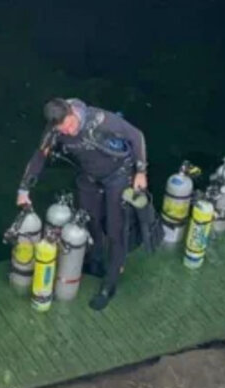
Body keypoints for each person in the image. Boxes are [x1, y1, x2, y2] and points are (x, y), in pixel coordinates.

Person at [17, 97, 148, 311]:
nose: (68, 131)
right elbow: (40, 156)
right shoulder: (55, 131)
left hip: (117, 174)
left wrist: (141, 171)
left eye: (69, 125)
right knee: (88, 219)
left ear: (72, 113)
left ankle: (110, 282)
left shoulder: (100, 120)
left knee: (116, 227)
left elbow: (136, 135)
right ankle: (95, 258)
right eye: (63, 129)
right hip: (89, 175)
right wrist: (23, 190)